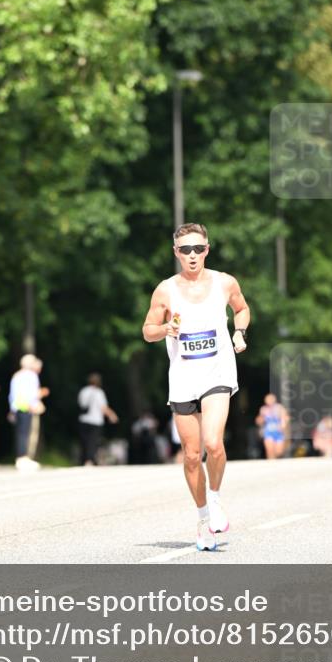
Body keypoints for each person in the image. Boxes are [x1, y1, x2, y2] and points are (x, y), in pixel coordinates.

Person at [142, 222, 249, 552]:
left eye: (198, 249)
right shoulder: (165, 290)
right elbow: (147, 330)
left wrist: (239, 333)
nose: (192, 255)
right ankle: (203, 518)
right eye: (185, 249)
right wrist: (165, 330)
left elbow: (242, 309)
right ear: (175, 252)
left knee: (213, 443)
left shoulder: (224, 282)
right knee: (191, 455)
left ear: (207, 249)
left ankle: (215, 499)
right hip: (183, 378)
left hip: (217, 373)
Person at [8, 354, 49, 472]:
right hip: (27, 407)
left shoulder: (17, 375)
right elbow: (32, 394)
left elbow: (12, 395)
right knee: (25, 433)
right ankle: (23, 458)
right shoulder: (31, 376)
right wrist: (36, 402)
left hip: (18, 407)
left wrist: (12, 409)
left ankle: (21, 457)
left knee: (20, 433)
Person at [77, 372, 119, 466]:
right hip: (95, 420)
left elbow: (81, 404)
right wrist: (112, 415)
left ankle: (83, 460)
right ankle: (89, 460)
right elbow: (103, 407)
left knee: (84, 441)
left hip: (83, 419)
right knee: (92, 441)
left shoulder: (83, 391)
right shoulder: (99, 392)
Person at [255, 393, 288, 460]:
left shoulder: (279, 408)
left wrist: (283, 424)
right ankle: (271, 464)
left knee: (279, 451)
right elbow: (259, 420)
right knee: (270, 450)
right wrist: (260, 420)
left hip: (278, 432)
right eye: (267, 399)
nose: (269, 401)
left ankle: (276, 459)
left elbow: (285, 417)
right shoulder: (263, 409)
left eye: (271, 399)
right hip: (268, 432)